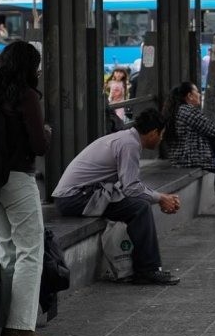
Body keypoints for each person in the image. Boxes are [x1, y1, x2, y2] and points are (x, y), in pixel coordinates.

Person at [51, 109, 181, 286]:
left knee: (139, 204)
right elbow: (132, 188)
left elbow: (129, 185)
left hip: (77, 196)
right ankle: (148, 270)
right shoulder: (130, 145)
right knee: (139, 207)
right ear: (153, 133)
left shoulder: (127, 138)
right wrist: (160, 198)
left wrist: (159, 197)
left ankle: (145, 267)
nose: (161, 140)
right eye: (161, 135)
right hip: (75, 198)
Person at [0, 41, 51, 336]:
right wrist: (48, 133)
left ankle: (5, 327)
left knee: (8, 252)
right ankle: (20, 327)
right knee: (30, 251)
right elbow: (39, 145)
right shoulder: (26, 96)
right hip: (17, 178)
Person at [162, 82, 215, 218]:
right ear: (189, 96)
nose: (199, 94)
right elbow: (212, 129)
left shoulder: (177, 110)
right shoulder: (188, 111)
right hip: (189, 157)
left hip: (182, 156)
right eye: (196, 91)